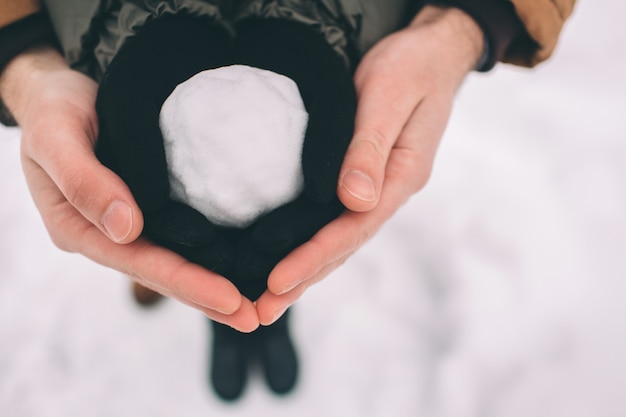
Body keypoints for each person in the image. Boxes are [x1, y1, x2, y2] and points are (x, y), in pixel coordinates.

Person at [0, 0, 576, 334]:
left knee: (295, 248)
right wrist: (20, 54)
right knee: (134, 208)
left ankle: (257, 318)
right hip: (117, 74)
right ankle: (191, 298)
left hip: (345, 55)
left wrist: (460, 26)